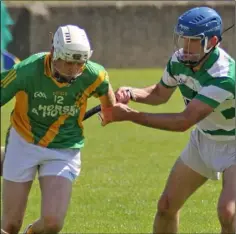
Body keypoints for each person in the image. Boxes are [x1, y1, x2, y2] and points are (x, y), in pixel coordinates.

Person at [103, 7, 236, 234]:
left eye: (192, 41)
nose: (184, 47)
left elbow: (184, 121)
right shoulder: (180, 60)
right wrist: (132, 92)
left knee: (228, 213)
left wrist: (130, 116)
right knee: (166, 206)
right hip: (204, 139)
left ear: (212, 41)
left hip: (233, 143)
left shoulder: (224, 75)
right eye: (182, 39)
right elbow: (159, 94)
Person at [0, 24, 116, 234]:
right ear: (54, 53)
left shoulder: (93, 74)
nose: (73, 70)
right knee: (9, 226)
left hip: (63, 148)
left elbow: (106, 92)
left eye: (79, 63)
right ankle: (5, 156)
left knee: (53, 223)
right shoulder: (27, 70)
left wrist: (109, 110)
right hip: (23, 142)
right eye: (68, 62)